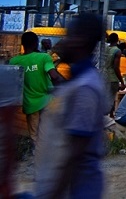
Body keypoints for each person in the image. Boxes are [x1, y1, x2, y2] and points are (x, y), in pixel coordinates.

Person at [33, 12, 107, 198]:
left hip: (76, 190)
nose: (62, 42)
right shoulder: (77, 81)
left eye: (68, 36)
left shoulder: (85, 88)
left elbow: (74, 153)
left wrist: (53, 193)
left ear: (79, 40)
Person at [9, 31, 64, 145]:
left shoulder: (14, 61)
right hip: (47, 100)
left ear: (22, 44)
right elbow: (54, 76)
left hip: (29, 103)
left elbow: (13, 84)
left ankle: (37, 156)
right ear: (36, 43)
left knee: (35, 135)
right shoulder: (44, 57)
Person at [104, 32, 125, 116]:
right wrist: (122, 81)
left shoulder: (105, 49)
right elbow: (116, 67)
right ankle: (110, 116)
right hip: (112, 78)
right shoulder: (117, 51)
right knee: (111, 98)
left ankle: (108, 115)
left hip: (103, 76)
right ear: (117, 40)